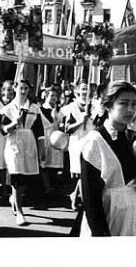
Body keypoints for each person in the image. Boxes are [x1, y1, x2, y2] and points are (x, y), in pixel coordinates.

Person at [78, 81, 136, 236]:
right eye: (123, 103)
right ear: (108, 105)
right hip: (108, 217)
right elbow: (90, 200)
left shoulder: (132, 138)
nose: (130, 109)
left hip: (134, 216)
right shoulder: (94, 142)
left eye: (134, 104)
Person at [0, 78, 44, 226]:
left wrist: (42, 149)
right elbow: (2, 130)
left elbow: (39, 132)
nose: (23, 91)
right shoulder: (9, 109)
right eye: (20, 88)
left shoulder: (35, 109)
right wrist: (14, 122)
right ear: (15, 89)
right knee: (17, 176)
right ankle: (20, 212)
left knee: (26, 176)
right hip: (14, 143)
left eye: (26, 88)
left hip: (29, 143)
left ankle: (14, 198)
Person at [58, 81, 95, 209]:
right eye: (83, 89)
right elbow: (67, 129)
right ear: (77, 91)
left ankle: (76, 195)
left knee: (89, 172)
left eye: (88, 89)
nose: (85, 92)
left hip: (91, 142)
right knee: (81, 173)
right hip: (78, 142)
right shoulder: (71, 108)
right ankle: (85, 201)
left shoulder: (95, 106)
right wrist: (81, 121)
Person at [38, 84, 64, 197]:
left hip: (56, 139)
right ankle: (46, 188)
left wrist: (56, 118)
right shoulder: (40, 109)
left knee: (53, 165)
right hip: (45, 138)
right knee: (43, 164)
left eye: (56, 96)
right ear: (46, 96)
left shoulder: (59, 110)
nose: (54, 98)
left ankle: (53, 188)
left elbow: (61, 125)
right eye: (51, 95)